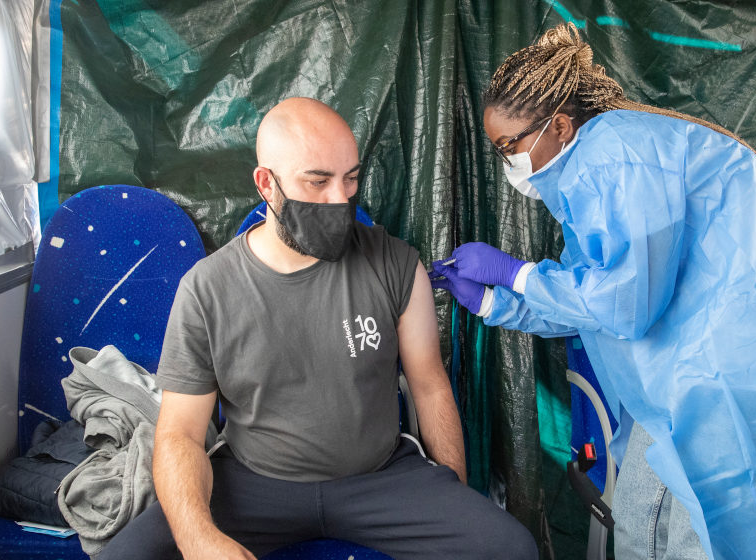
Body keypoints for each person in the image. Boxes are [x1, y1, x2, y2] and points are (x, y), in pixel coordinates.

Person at [430, 23, 756, 560]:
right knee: (684, 529)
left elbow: (621, 305)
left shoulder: (613, 156)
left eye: (509, 147)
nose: (508, 163)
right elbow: (590, 300)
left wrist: (513, 272)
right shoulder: (600, 166)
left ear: (560, 125)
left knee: (690, 534)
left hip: (738, 376)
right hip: (723, 371)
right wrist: (495, 301)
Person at [96, 97, 538, 560]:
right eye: (318, 181)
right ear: (267, 184)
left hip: (382, 480)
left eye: (351, 178)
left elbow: (430, 387)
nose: (340, 200)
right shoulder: (207, 289)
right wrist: (198, 540)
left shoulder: (395, 264)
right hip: (252, 484)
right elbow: (180, 434)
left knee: (509, 549)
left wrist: (454, 497)